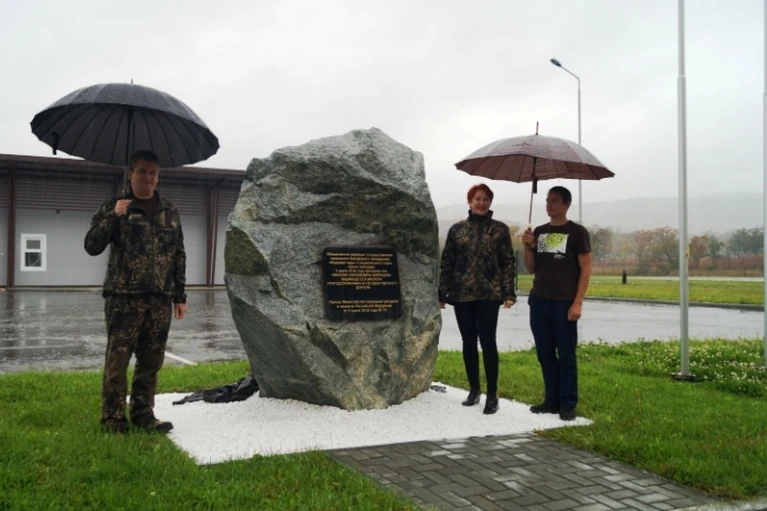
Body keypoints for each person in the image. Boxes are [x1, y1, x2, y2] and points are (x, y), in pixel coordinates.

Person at [85, 150, 187, 434]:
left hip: (159, 298)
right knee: (118, 360)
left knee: (152, 359)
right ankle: (114, 418)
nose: (148, 177)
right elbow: (91, 245)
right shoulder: (115, 206)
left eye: (153, 172)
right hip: (123, 298)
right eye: (142, 171)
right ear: (130, 173)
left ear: (158, 176)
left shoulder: (169, 211)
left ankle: (143, 412)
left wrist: (179, 296)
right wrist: (114, 217)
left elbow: (178, 254)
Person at [438, 184, 516, 415]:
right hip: (462, 294)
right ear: (470, 202)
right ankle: (474, 389)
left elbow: (508, 262)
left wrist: (508, 292)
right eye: (477, 199)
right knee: (468, 342)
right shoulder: (457, 230)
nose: (481, 203)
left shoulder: (500, 230)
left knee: (488, 342)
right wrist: (442, 293)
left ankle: (492, 394)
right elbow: (447, 262)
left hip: (489, 294)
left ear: (490, 202)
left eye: (485, 199)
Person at [522, 186, 591, 421]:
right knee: (544, 353)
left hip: (564, 303)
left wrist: (577, 302)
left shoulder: (577, 233)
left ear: (566, 204)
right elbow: (531, 268)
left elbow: (586, 270)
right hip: (539, 301)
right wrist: (527, 247)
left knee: (566, 354)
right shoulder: (540, 232)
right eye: (547, 200)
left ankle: (568, 403)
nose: (549, 205)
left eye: (554, 201)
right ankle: (551, 400)